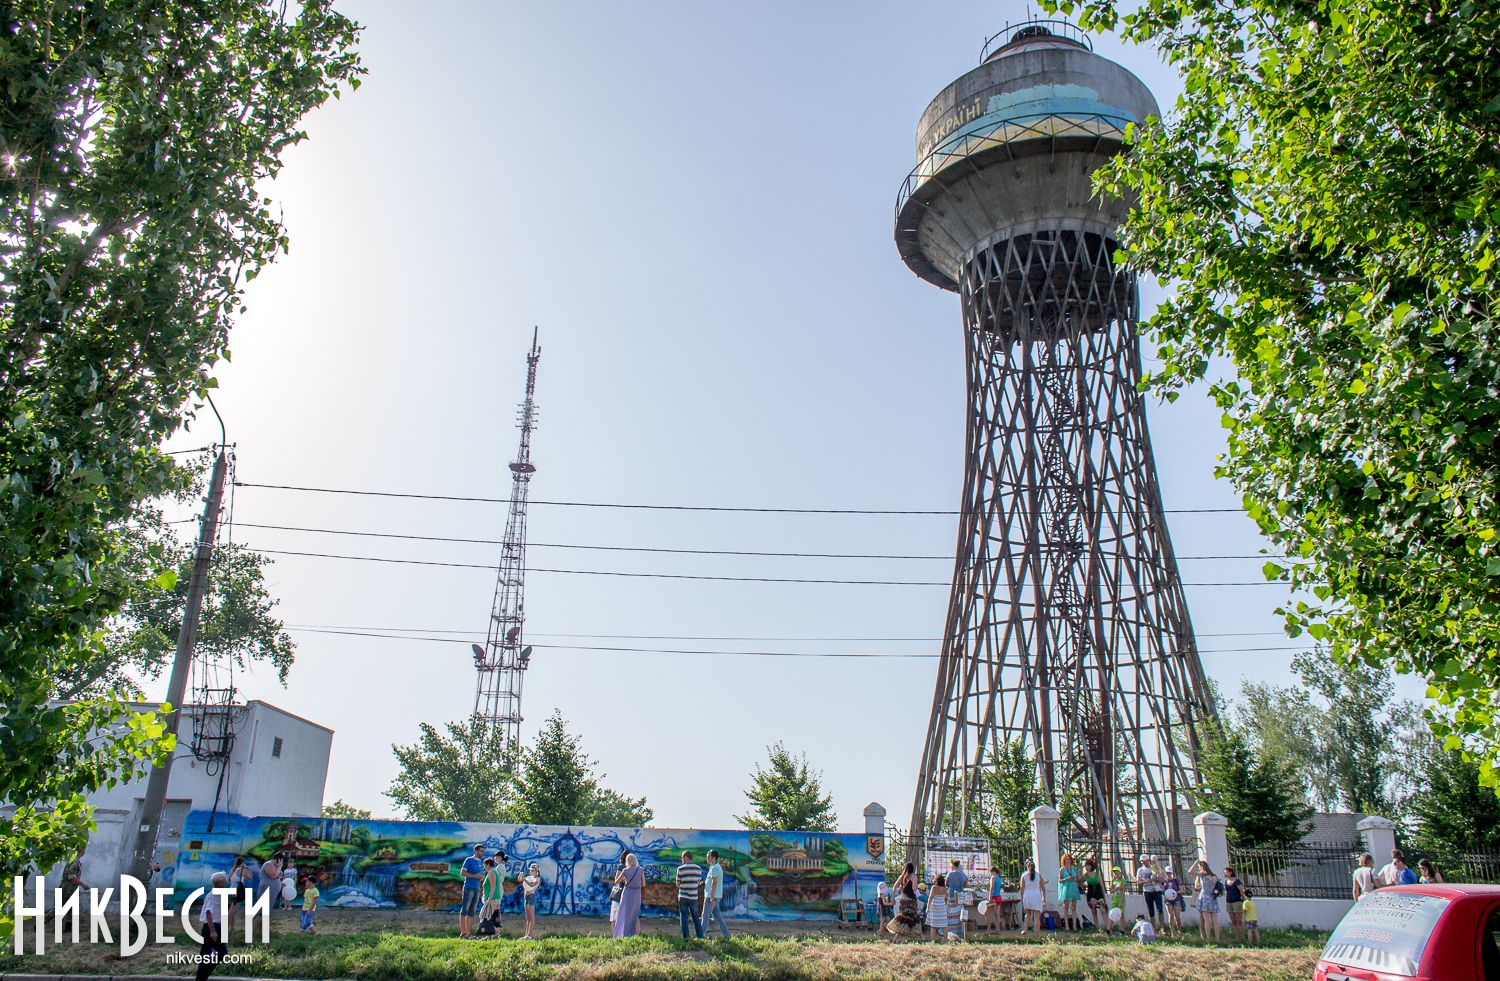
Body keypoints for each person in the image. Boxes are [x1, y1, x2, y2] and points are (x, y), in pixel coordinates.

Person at [195, 871, 230, 981]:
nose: (226, 880)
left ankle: (202, 977)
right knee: (217, 953)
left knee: (212, 954)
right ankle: (201, 977)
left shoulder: (220, 894)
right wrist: (212, 931)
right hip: (212, 927)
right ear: (219, 882)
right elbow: (208, 913)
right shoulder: (212, 895)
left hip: (217, 926)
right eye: (224, 879)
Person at [887, 862, 922, 938]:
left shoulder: (902, 876)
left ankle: (897, 937)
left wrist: (893, 898)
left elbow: (894, 886)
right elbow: (914, 889)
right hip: (911, 900)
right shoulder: (913, 877)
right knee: (913, 917)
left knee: (904, 918)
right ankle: (919, 936)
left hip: (903, 900)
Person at [612, 853, 644, 938]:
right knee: (635, 913)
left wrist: (625, 879)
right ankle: (635, 935)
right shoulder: (640, 870)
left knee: (624, 913)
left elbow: (616, 882)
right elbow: (643, 884)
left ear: (627, 861)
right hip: (637, 894)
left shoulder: (625, 870)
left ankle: (623, 934)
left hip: (627, 893)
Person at [675, 850, 705, 939]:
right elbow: (698, 882)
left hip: (683, 896)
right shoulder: (698, 868)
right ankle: (700, 937)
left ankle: (686, 938)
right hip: (693, 896)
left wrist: (684, 885)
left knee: (684, 918)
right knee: (695, 917)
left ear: (685, 858)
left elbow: (677, 884)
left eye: (682, 857)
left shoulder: (680, 869)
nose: (681, 859)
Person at [1191, 859, 1221, 942]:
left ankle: (1208, 938)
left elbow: (1190, 872)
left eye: (1199, 867)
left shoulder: (1203, 874)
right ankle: (1217, 938)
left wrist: (1195, 863)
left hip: (1205, 898)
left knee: (1207, 919)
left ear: (1202, 867)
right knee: (1215, 919)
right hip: (1213, 898)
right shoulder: (1215, 876)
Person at [702, 849, 730, 940]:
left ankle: (700, 936)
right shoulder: (715, 867)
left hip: (711, 896)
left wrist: (712, 896)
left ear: (713, 858)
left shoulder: (714, 868)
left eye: (708, 856)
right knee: (717, 916)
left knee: (705, 916)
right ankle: (726, 935)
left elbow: (714, 882)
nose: (707, 858)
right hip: (715, 896)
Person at [458, 844, 485, 939]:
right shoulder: (469, 860)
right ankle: (463, 932)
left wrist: (481, 878)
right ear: (475, 851)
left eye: (483, 851)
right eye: (480, 851)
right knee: (465, 909)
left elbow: (480, 876)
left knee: (471, 911)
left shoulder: (480, 862)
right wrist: (474, 876)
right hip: (469, 887)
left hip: (477, 888)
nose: (482, 853)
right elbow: (462, 872)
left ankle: (468, 933)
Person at [1018, 858, 1046, 934]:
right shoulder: (1038, 875)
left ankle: (1025, 930)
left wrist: (1022, 897)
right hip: (1036, 895)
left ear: (1027, 867)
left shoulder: (1024, 875)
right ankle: (1037, 931)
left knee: (1028, 914)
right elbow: (1043, 888)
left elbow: (1022, 888)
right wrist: (1044, 898)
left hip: (1027, 895)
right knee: (1037, 916)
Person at [1137, 855, 1163, 932]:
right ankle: (1153, 929)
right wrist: (1148, 880)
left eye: (1145, 861)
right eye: (1142, 861)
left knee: (1160, 910)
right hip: (1147, 891)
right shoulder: (1140, 870)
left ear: (1148, 860)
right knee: (1151, 912)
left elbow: (1161, 879)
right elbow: (1138, 882)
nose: (1144, 863)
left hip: (1157, 890)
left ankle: (1162, 928)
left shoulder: (1154, 868)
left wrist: (1156, 878)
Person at [479, 857, 503, 936]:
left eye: (484, 865)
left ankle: (488, 933)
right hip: (494, 897)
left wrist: (489, 898)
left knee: (485, 916)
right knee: (491, 916)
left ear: (488, 864)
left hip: (492, 898)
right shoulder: (494, 871)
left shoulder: (491, 872)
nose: (484, 867)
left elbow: (493, 886)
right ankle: (495, 933)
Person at [1057, 853, 1080, 930]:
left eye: (1068, 859)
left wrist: (1074, 879)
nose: (1067, 861)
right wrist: (1066, 879)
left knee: (1074, 907)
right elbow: (1060, 880)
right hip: (1066, 888)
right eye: (1066, 859)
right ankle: (1067, 926)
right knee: (1065, 907)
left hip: (1073, 887)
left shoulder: (1074, 868)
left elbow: (1077, 878)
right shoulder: (1062, 869)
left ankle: (1074, 926)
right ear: (1063, 860)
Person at [946, 858, 967, 939]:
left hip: (951, 894)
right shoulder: (963, 874)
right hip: (960, 894)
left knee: (951, 913)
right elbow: (965, 884)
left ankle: (951, 931)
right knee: (959, 913)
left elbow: (946, 884)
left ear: (953, 865)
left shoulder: (950, 874)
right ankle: (959, 930)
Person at [1082, 858, 1105, 930]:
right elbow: (1079, 881)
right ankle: (1097, 928)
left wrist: (1104, 895)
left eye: (1088, 865)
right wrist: (1084, 887)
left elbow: (1101, 885)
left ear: (1091, 866)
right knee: (1093, 910)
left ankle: (1108, 927)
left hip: (1098, 893)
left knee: (1102, 910)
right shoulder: (1085, 875)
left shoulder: (1097, 874)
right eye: (1086, 866)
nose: (1087, 867)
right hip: (1090, 894)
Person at [1223, 866, 1245, 939]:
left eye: (1226, 872)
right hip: (1229, 902)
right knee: (1233, 921)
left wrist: (1244, 902)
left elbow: (1242, 892)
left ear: (1231, 872)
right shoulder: (1226, 882)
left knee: (1239, 920)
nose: (1225, 874)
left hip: (1237, 902)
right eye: (1224, 872)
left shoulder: (1237, 881)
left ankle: (1242, 936)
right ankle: (1237, 936)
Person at [925, 872, 949, 940]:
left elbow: (930, 898)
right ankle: (945, 940)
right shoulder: (945, 888)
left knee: (933, 925)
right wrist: (944, 904)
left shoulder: (934, 887)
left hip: (934, 906)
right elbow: (946, 898)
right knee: (944, 925)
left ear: (937, 880)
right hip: (942, 906)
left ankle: (933, 940)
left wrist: (927, 907)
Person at [1161, 865, 1184, 937]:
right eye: (1167, 873)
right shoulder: (1164, 881)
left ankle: (1179, 931)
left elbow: (1182, 890)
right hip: (1168, 900)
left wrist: (1175, 893)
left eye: (1169, 873)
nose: (1168, 874)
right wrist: (1164, 892)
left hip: (1176, 899)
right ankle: (1172, 932)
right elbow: (1162, 889)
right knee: (1171, 915)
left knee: (1177, 916)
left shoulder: (1176, 881)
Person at [522, 864, 542, 939]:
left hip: (531, 897)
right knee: (528, 917)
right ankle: (526, 935)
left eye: (533, 870)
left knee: (531, 916)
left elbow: (531, 885)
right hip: (526, 897)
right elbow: (520, 880)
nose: (531, 872)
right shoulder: (529, 877)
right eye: (530, 870)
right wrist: (521, 876)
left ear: (537, 871)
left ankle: (529, 935)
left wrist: (524, 879)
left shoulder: (537, 879)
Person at [1107, 866, 1127, 934]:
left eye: (1117, 873)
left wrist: (1121, 900)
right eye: (1114, 873)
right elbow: (1111, 891)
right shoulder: (1113, 881)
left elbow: (1123, 891)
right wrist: (1117, 888)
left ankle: (1122, 930)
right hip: (1114, 900)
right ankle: (1109, 929)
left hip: (1120, 899)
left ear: (1120, 873)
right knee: (1111, 914)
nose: (1116, 874)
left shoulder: (1122, 880)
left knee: (1121, 914)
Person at [985, 867, 1005, 933]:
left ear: (993, 871)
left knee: (987, 913)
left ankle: (988, 930)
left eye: (990, 872)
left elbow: (991, 888)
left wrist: (989, 897)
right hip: (999, 897)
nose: (990, 874)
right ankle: (997, 929)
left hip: (993, 897)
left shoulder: (993, 877)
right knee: (997, 914)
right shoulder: (999, 878)